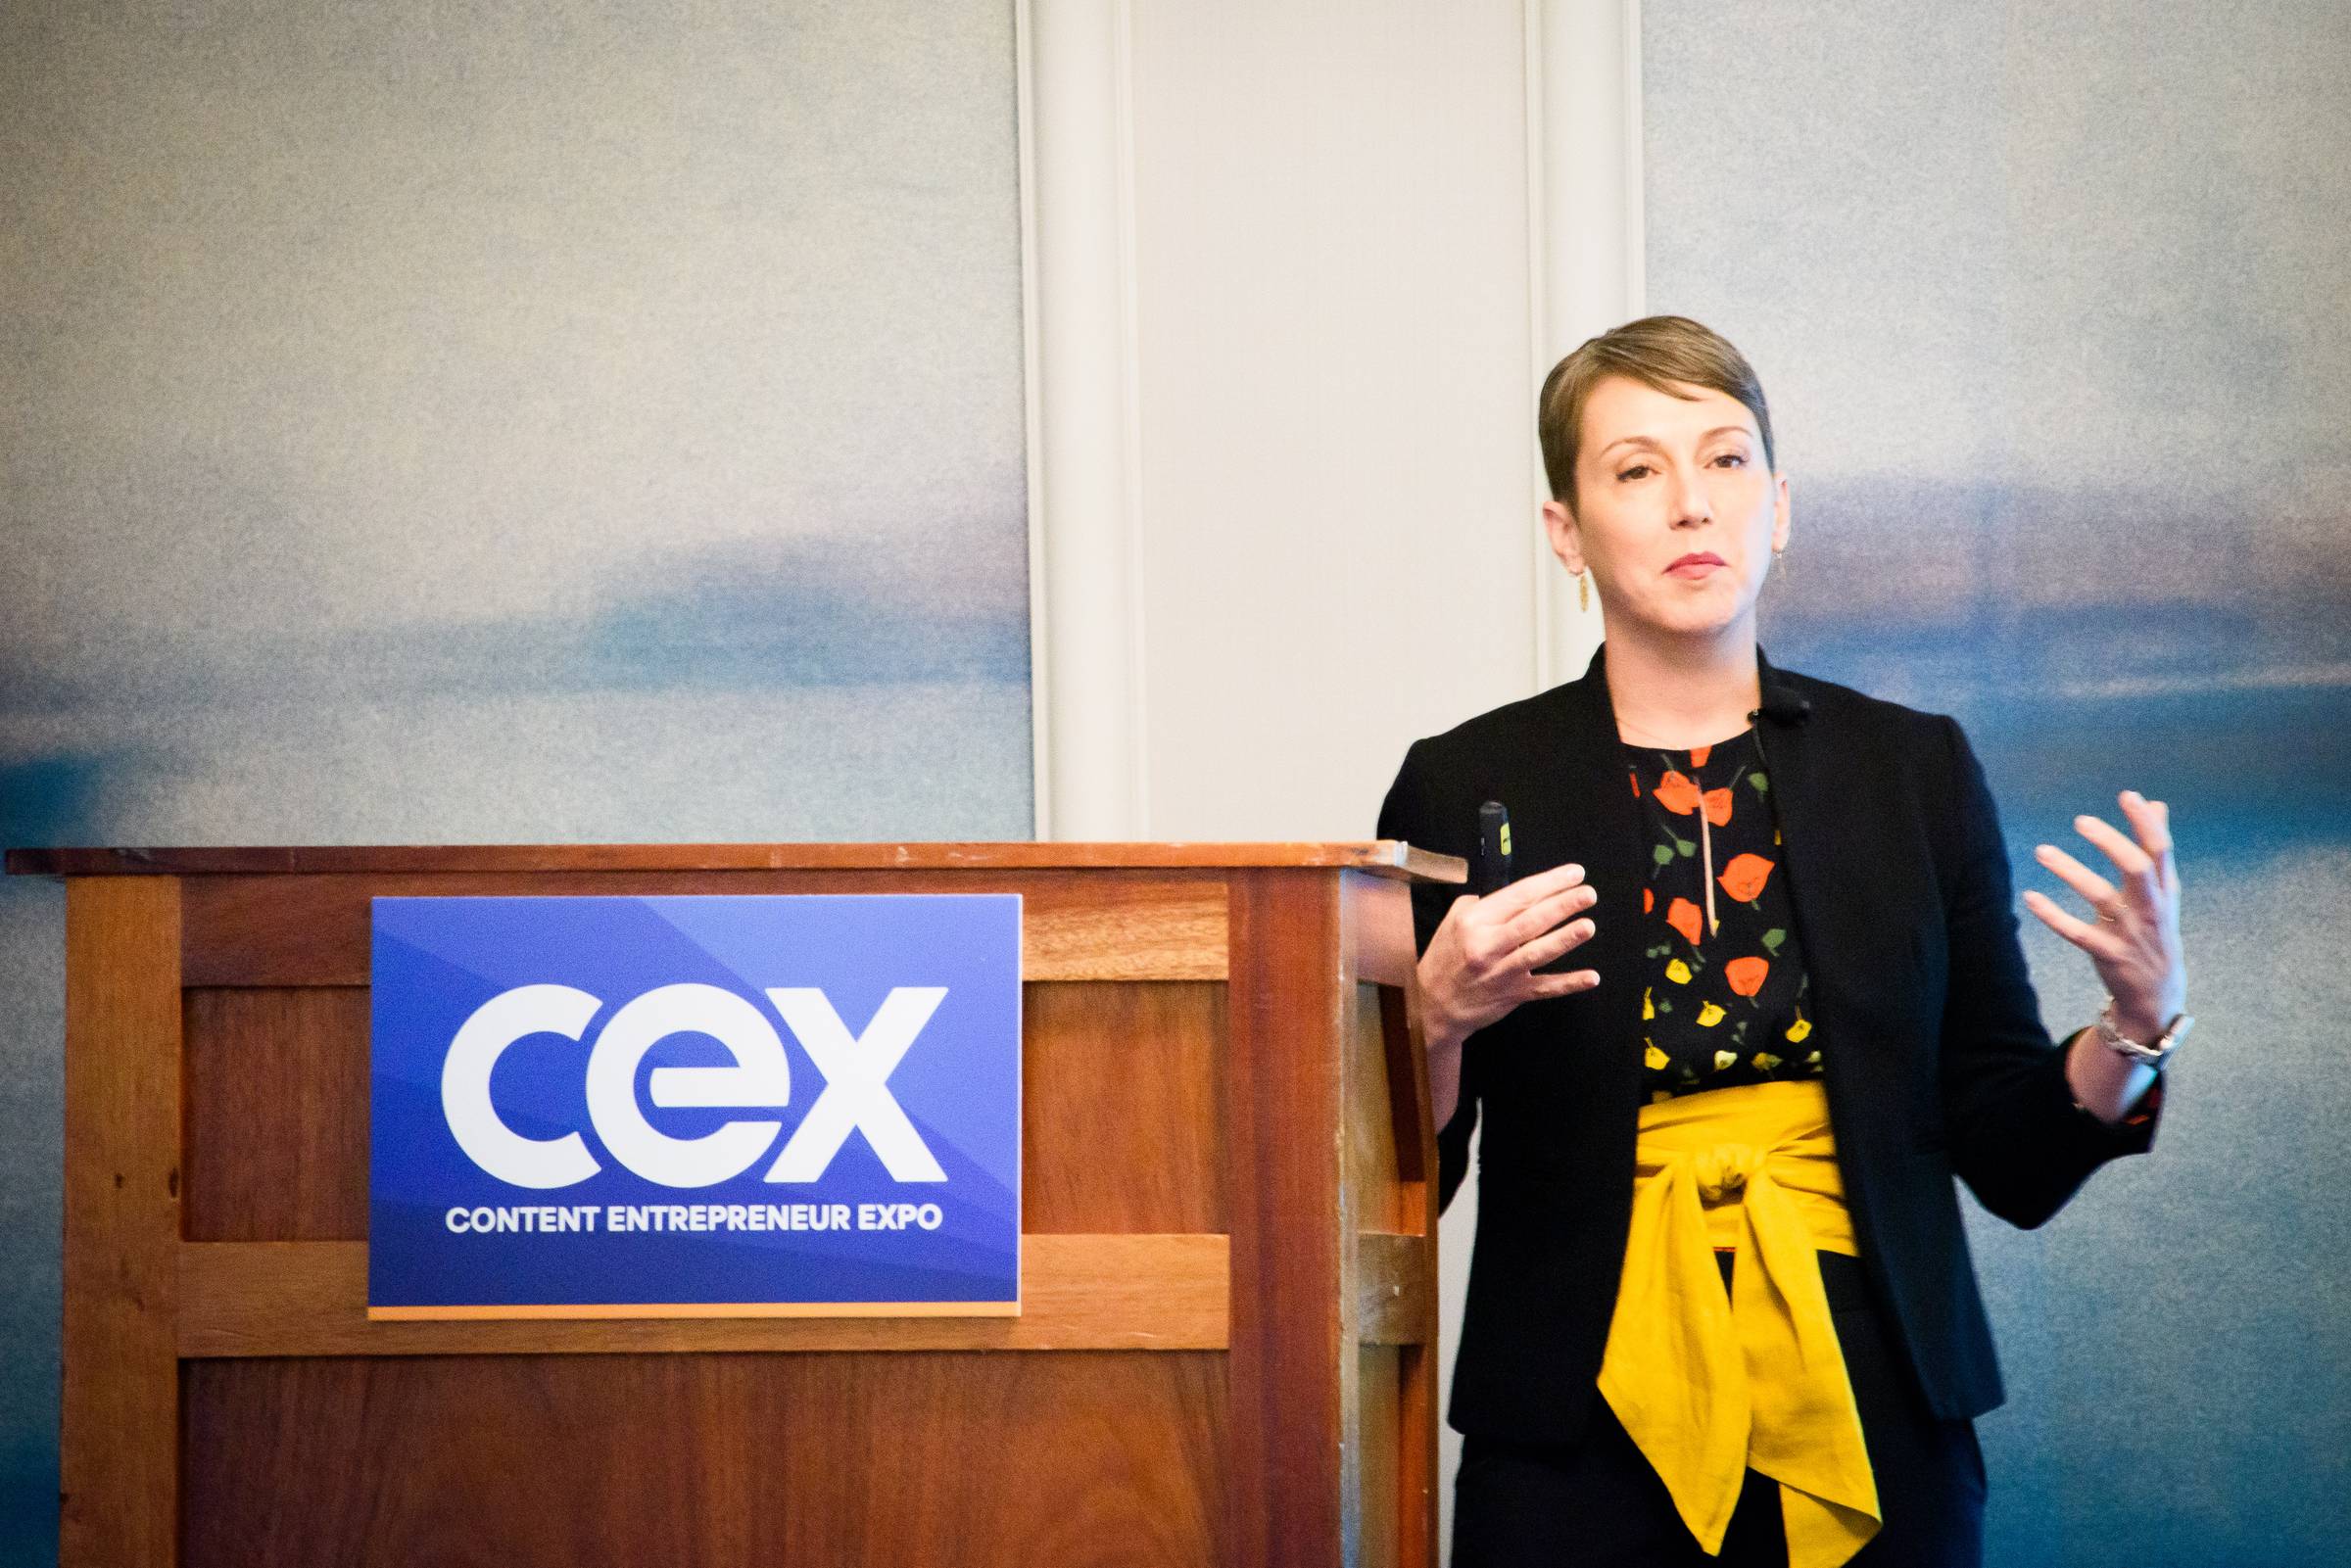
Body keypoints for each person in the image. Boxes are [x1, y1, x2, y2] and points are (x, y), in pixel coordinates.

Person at [1375, 316, 2187, 1567]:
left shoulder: (1911, 768)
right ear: (1565, 531)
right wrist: (1431, 1019)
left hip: (1877, 1389)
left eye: (1727, 460)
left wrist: (2136, 1021)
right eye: (1637, 470)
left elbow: (2013, 1154)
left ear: (1781, 506)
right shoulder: (1467, 783)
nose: (1692, 503)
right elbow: (1400, 1186)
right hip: (1574, 1412)